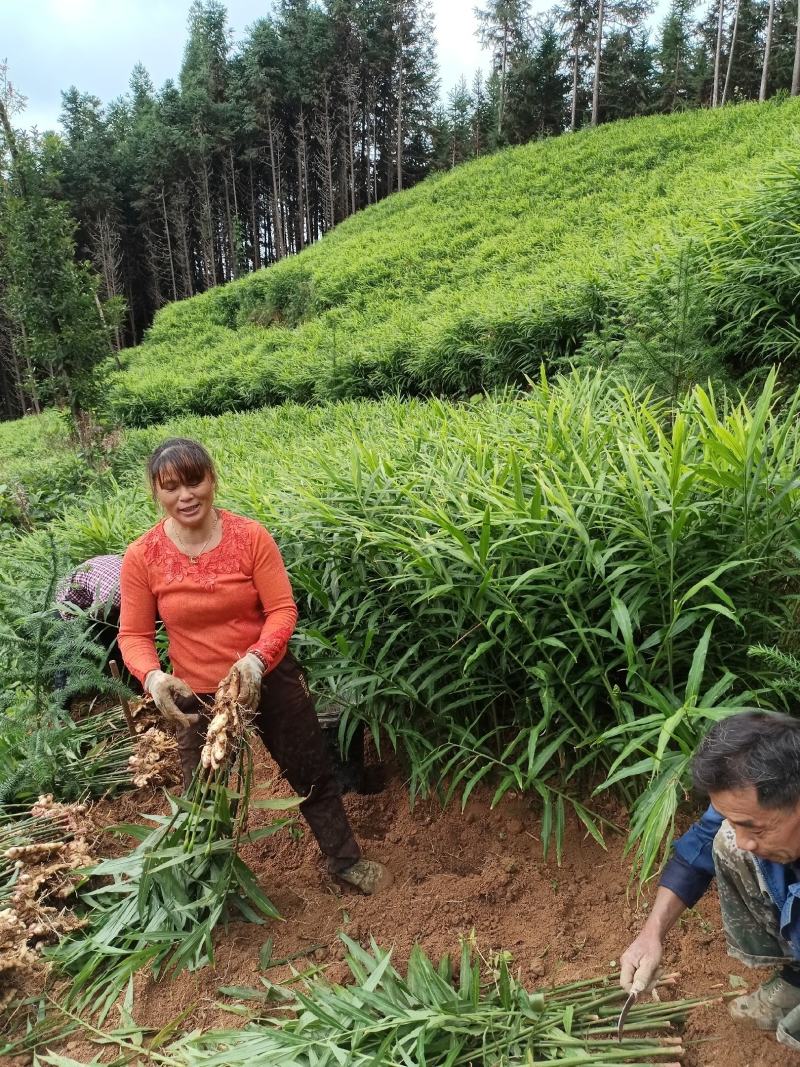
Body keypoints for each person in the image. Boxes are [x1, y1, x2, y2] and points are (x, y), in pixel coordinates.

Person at [118, 437, 389, 895]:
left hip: (267, 676)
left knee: (310, 769)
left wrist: (256, 660)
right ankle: (211, 885)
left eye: (194, 481)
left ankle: (345, 862)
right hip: (196, 692)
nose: (185, 496)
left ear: (212, 480)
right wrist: (153, 676)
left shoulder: (250, 537)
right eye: (170, 487)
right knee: (202, 793)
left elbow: (282, 610)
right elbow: (134, 635)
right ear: (155, 493)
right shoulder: (142, 556)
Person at [620, 711, 800, 1053]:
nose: (747, 841)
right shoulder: (755, 795)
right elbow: (696, 851)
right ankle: (796, 976)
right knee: (726, 842)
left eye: (757, 828)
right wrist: (650, 935)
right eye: (737, 820)